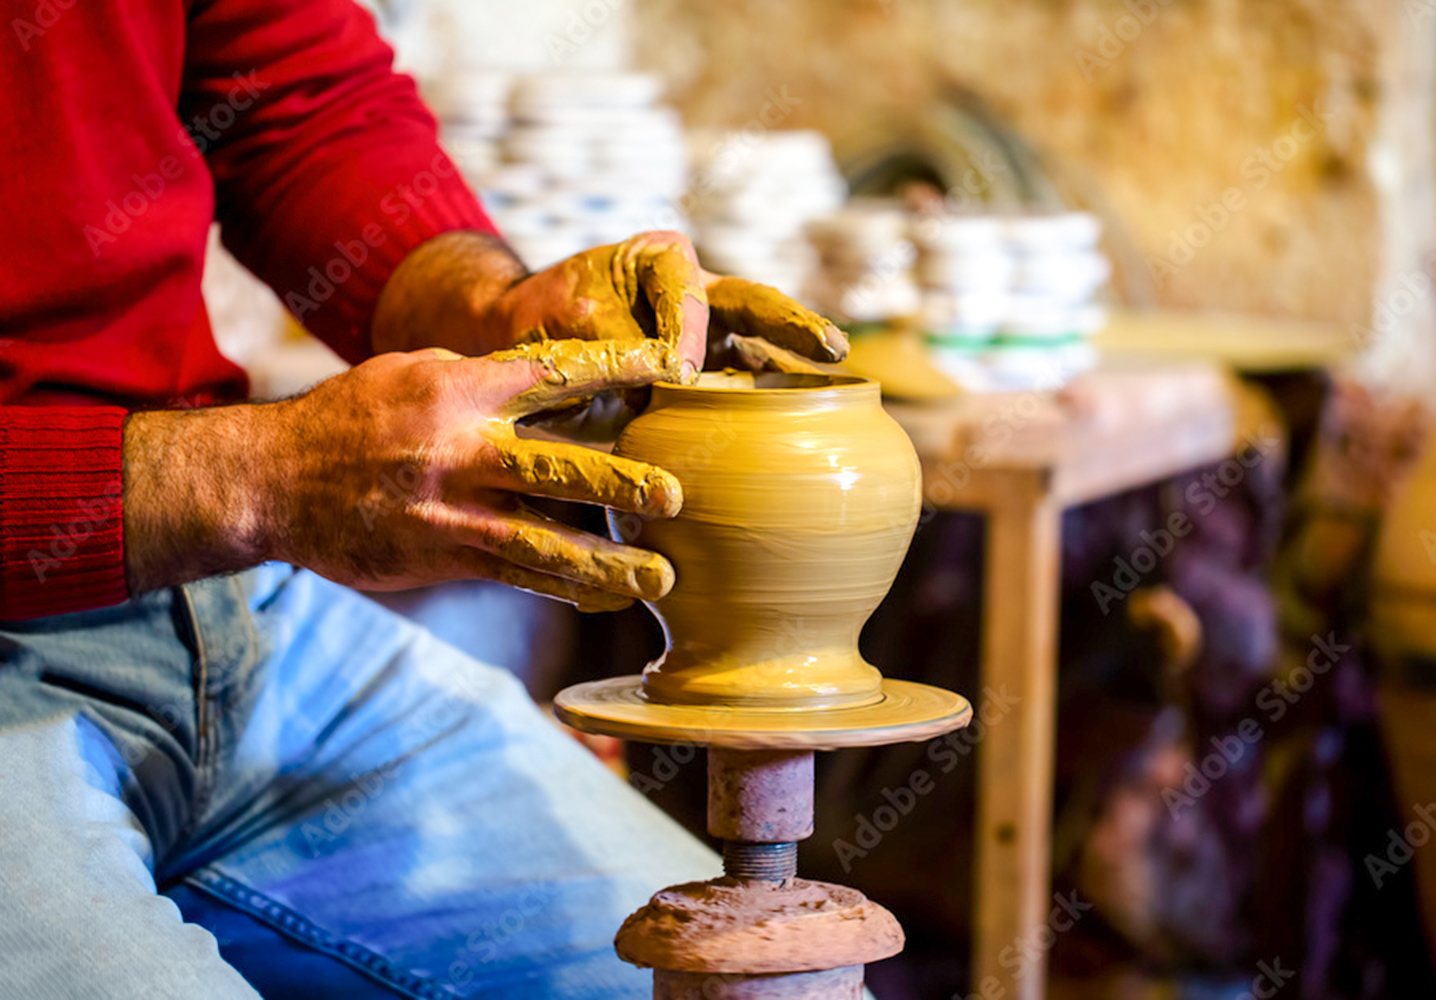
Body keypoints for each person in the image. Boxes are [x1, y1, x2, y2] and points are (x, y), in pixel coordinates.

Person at [0, 0, 847, 996]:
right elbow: (243, 481)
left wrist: (494, 306)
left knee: (758, 983)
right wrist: (252, 478)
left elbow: (296, 103)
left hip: (222, 608)